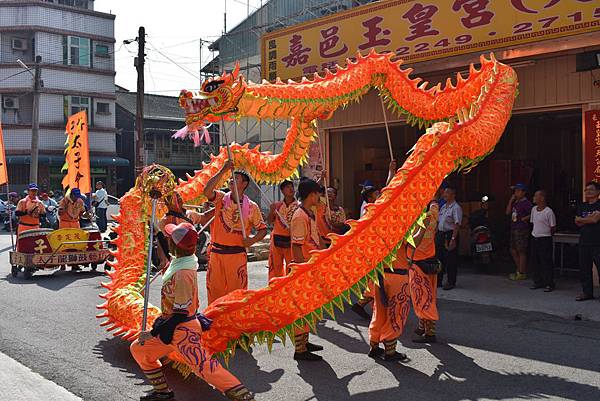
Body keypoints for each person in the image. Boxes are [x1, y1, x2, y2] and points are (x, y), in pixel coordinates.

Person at [130, 222, 255, 401]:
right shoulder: (182, 260)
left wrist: (151, 333)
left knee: (207, 369)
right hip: (171, 327)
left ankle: (244, 396)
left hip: (183, 331)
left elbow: (179, 315)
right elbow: (168, 251)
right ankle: (163, 392)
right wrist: (158, 232)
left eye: (169, 238)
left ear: (175, 245)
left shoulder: (182, 273)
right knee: (139, 350)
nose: (167, 240)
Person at [203, 161, 267, 304]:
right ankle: (214, 323)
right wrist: (223, 170)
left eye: (235, 178)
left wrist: (251, 241)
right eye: (230, 177)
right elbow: (207, 191)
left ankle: (235, 325)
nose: (231, 179)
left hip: (237, 256)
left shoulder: (252, 207)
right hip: (217, 254)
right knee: (214, 293)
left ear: (244, 184)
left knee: (237, 296)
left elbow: (262, 230)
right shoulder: (220, 199)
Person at [290, 177, 325, 361]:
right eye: (317, 193)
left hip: (311, 268)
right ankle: (300, 348)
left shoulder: (308, 213)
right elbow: (297, 246)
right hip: (304, 269)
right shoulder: (300, 216)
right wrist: (301, 271)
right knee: (301, 308)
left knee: (308, 307)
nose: (320, 196)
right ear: (311, 195)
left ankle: (304, 341)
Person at [410, 200, 441, 343]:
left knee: (422, 297)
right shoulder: (434, 212)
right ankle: (422, 326)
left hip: (418, 262)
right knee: (429, 295)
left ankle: (430, 333)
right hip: (430, 260)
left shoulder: (420, 218)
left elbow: (413, 241)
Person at [266, 180, 298, 281]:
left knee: (291, 267)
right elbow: (269, 221)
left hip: (291, 241)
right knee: (276, 266)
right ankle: (275, 288)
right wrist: (271, 211)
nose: (291, 189)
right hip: (277, 240)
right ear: (282, 191)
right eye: (288, 187)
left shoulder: (299, 206)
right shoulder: (277, 206)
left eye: (292, 187)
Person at [574, 181, 600, 301]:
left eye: (591, 189)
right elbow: (577, 222)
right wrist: (589, 218)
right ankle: (587, 293)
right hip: (584, 241)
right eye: (586, 190)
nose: (588, 192)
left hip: (597, 242)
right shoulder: (582, 206)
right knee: (585, 268)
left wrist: (583, 219)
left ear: (598, 192)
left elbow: (595, 220)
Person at [436, 186, 463, 290]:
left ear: (453, 195)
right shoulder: (443, 207)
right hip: (441, 234)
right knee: (440, 258)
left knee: (450, 259)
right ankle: (438, 280)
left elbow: (457, 225)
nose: (444, 195)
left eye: (447, 193)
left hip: (450, 234)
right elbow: (439, 221)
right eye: (444, 193)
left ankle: (451, 282)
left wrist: (453, 239)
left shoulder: (456, 208)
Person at [529, 190, 557, 292]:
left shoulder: (548, 211)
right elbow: (533, 223)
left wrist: (547, 234)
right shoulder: (533, 210)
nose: (533, 198)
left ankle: (549, 283)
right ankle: (537, 281)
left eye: (536, 196)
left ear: (542, 198)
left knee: (546, 261)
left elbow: (553, 227)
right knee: (535, 261)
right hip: (535, 237)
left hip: (545, 238)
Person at [505, 183, 533, 281]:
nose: (515, 193)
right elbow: (507, 212)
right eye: (515, 191)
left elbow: (533, 213)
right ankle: (520, 269)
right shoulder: (516, 203)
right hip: (514, 227)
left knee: (521, 250)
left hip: (522, 228)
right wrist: (511, 200)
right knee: (513, 250)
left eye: (517, 191)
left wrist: (525, 218)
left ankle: (521, 272)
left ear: (523, 192)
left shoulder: (527, 203)